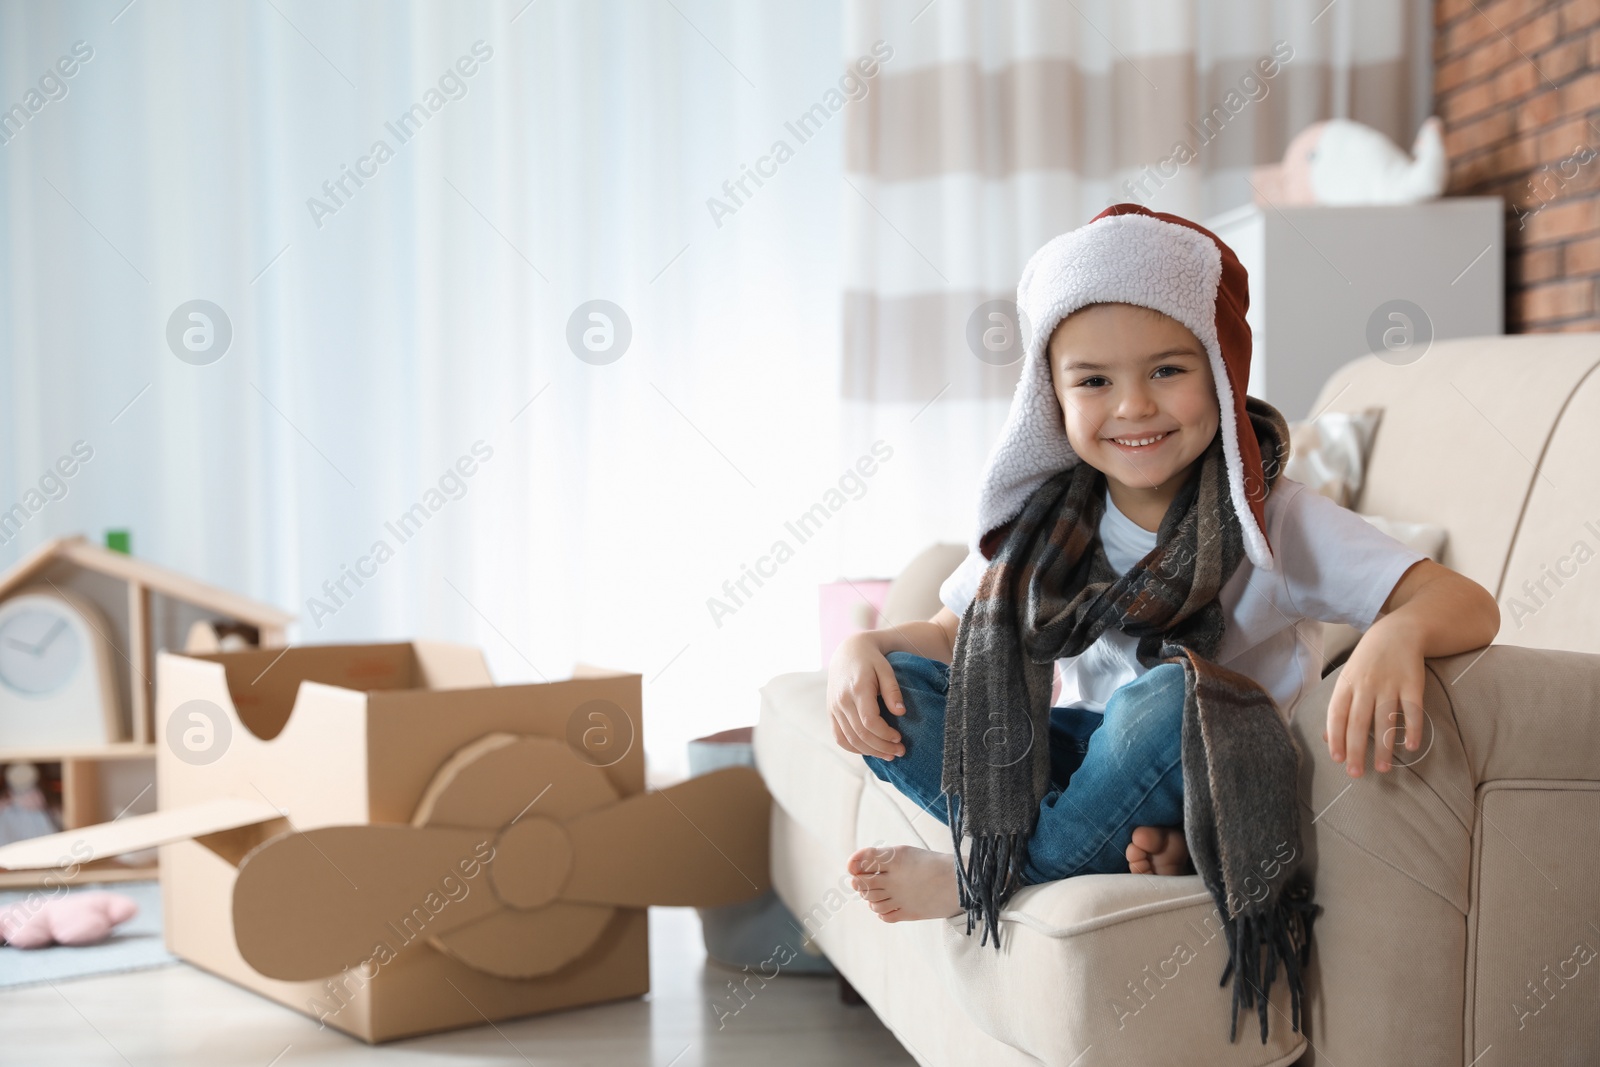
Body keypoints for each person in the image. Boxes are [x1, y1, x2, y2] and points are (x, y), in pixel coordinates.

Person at [825, 203, 1500, 1043]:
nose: (1135, 406)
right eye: (1095, 380)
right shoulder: (1044, 520)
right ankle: (1104, 840)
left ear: (1220, 372)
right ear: (1053, 398)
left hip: (1213, 757)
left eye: (1169, 370)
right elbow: (948, 635)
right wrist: (863, 648)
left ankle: (986, 880)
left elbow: (1466, 600)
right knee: (899, 696)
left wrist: (1397, 631)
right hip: (1079, 758)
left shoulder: (1273, 517)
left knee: (1168, 694)